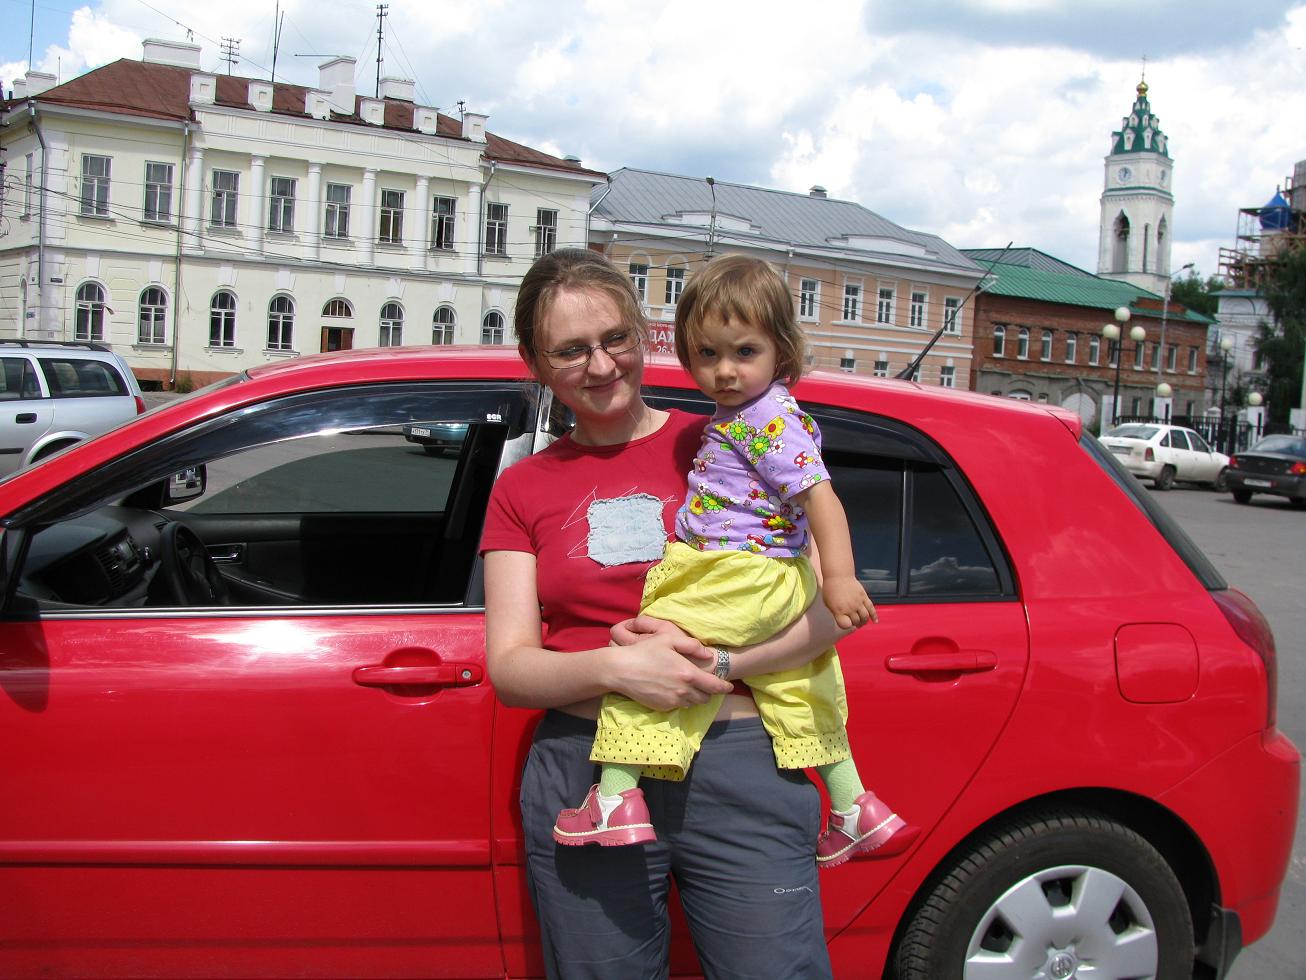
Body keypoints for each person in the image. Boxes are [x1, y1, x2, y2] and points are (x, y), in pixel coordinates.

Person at [482, 248, 845, 979]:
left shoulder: (728, 435)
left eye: (615, 338)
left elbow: (828, 610)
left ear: (643, 336)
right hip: (587, 767)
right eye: (570, 350)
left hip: (740, 762)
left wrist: (723, 664)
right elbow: (512, 669)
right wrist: (621, 669)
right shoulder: (521, 489)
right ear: (535, 362)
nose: (601, 365)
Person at [551, 255, 911, 868]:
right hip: (776, 577)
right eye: (707, 354)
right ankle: (854, 805)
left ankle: (614, 797)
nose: (724, 371)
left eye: (744, 352)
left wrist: (842, 578)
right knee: (798, 681)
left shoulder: (764, 421)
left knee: (651, 658)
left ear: (781, 351)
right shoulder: (756, 413)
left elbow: (821, 497)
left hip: (732, 573)